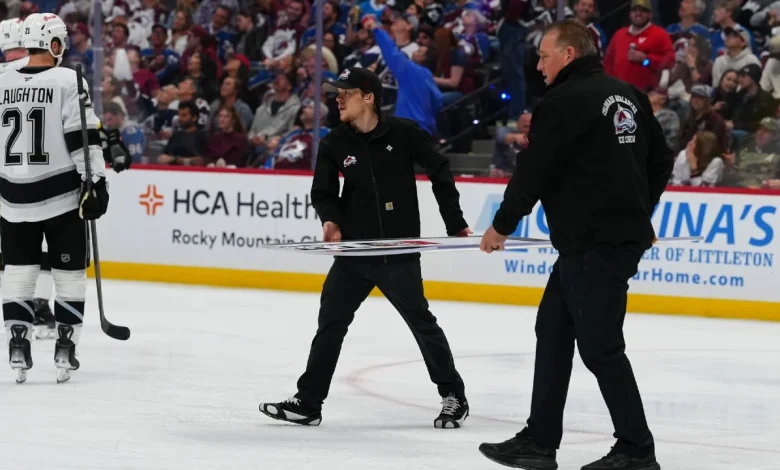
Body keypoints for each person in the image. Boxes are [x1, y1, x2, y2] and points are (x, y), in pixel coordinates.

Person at [478, 20, 672, 470]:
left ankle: (637, 449)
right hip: (589, 244)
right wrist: (639, 210)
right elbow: (660, 160)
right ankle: (540, 439)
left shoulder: (563, 101)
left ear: (568, 54)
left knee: (600, 347)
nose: (539, 64)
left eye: (544, 56)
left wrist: (501, 225)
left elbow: (534, 171)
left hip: (595, 245)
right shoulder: (629, 95)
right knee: (553, 332)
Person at [259, 67, 472, 429]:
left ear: (369, 96)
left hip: (397, 253)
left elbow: (439, 168)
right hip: (355, 254)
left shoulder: (403, 134)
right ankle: (309, 402)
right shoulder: (334, 143)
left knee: (421, 323)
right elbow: (324, 193)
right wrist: (331, 221)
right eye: (335, 93)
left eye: (345, 92)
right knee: (330, 324)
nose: (337, 98)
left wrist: (454, 221)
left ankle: (454, 395)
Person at [0, 13, 109, 384]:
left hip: (11, 196)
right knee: (69, 275)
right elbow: (83, 136)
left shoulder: (1, 80)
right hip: (61, 195)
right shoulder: (68, 79)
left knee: (18, 274)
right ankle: (65, 347)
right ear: (56, 44)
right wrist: (96, 182)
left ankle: (17, 344)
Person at [0, 17, 57, 340]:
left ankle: (21, 306)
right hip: (40, 175)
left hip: (8, 173)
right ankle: (37, 305)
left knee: (14, 247)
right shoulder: (52, 74)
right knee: (43, 243)